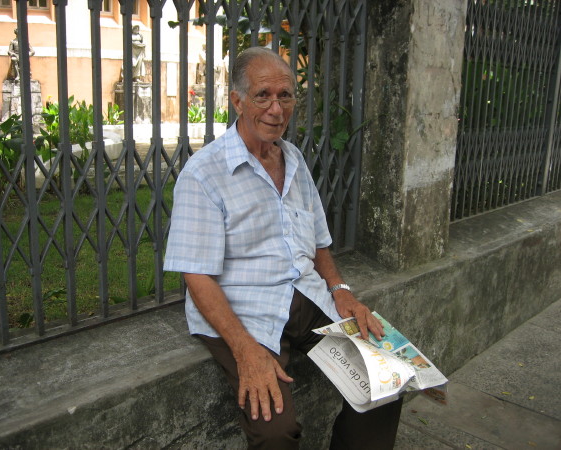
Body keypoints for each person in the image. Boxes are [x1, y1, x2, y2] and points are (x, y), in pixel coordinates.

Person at [164, 47, 402, 449]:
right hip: (243, 313)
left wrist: (341, 292)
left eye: (286, 95)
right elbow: (196, 275)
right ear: (237, 101)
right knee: (275, 433)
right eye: (263, 96)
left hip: (306, 297)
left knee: (386, 383)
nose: (276, 109)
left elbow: (320, 243)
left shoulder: (292, 160)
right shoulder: (203, 174)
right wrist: (245, 351)